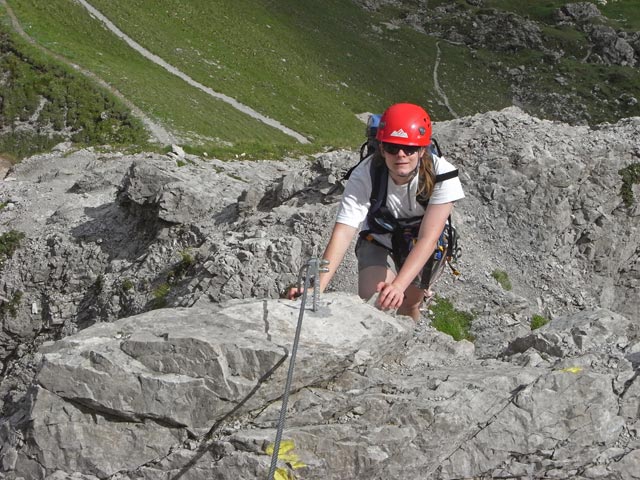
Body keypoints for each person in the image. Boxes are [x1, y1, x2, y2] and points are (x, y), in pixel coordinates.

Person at [288, 103, 464, 321]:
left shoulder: (443, 175)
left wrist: (399, 285)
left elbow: (429, 238)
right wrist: (317, 288)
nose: (401, 155)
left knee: (409, 304)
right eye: (392, 147)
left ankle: (410, 341)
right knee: (375, 304)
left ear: (422, 150)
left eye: (409, 148)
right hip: (379, 238)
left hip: (421, 242)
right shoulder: (365, 174)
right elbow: (343, 233)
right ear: (381, 148)